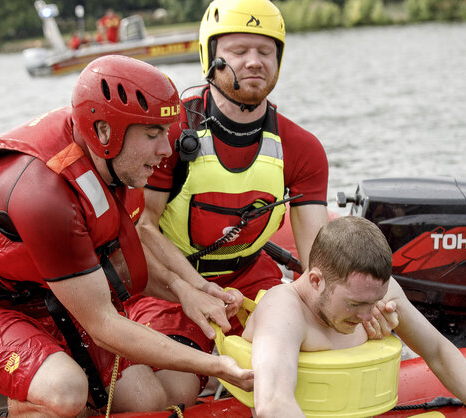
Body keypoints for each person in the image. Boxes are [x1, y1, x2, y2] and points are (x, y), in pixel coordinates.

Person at [0, 55, 253, 417]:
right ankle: (27, 404)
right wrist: (216, 367)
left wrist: (190, 290)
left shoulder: (115, 164)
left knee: (147, 402)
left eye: (166, 133)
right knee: (65, 390)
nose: (166, 150)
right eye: (154, 135)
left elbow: (125, 248)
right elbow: (104, 327)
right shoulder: (45, 196)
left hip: (48, 296)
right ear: (105, 132)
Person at [124, 0, 382, 407]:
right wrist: (194, 289)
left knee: (329, 346)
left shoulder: (302, 148)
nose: (255, 62)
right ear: (211, 57)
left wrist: (357, 308)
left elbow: (320, 252)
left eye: (266, 52)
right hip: (168, 284)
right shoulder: (169, 135)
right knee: (172, 394)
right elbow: (142, 226)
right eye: (239, 51)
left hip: (249, 277)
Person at [241, 216, 466, 418]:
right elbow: (273, 402)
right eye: (356, 304)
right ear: (315, 281)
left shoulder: (376, 295)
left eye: (374, 301)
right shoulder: (283, 311)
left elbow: (438, 351)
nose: (368, 315)